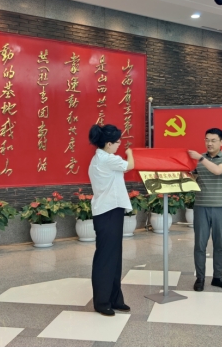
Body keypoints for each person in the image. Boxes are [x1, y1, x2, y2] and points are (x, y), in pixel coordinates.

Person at [88, 124, 135, 316]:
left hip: (111, 210)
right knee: (106, 258)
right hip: (107, 211)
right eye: (117, 142)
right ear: (108, 144)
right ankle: (102, 302)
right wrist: (130, 153)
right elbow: (130, 165)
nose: (119, 145)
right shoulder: (107, 159)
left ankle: (115, 299)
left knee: (114, 257)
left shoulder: (101, 158)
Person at [188, 128, 222, 292]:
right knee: (199, 245)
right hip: (201, 206)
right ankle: (200, 278)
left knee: (220, 245)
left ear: (221, 142)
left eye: (213, 140)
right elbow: (192, 178)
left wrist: (200, 159)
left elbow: (217, 170)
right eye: (207, 140)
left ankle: (217, 278)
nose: (209, 143)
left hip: (220, 207)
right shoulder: (198, 160)